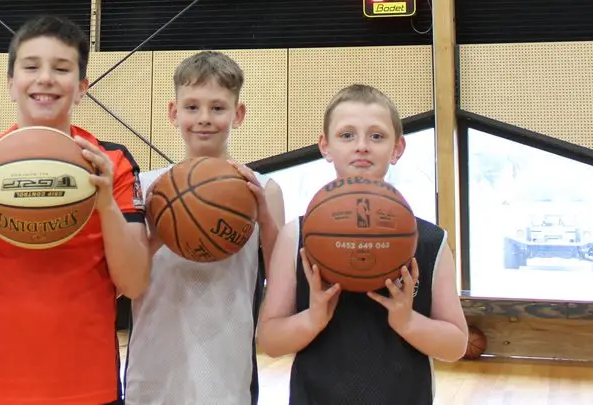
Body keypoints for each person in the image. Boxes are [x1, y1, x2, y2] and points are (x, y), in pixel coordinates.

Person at [0, 14, 150, 405]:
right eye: (31, 67)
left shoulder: (112, 162)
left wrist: (105, 204)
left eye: (61, 69)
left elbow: (133, 283)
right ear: (11, 84)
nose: (45, 78)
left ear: (82, 88)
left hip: (88, 390)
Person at [257, 84, 468, 404]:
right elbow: (270, 340)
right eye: (347, 135)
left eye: (377, 136)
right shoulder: (296, 235)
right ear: (325, 146)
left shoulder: (430, 241)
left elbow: (456, 345)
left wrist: (408, 322)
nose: (362, 146)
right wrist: (312, 318)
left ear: (397, 148)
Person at [123, 51, 285, 405]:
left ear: (238, 114)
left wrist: (265, 220)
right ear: (173, 112)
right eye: (192, 107)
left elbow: (282, 282)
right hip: (152, 374)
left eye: (218, 107)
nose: (204, 119)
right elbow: (120, 284)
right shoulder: (146, 189)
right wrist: (157, 235)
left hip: (227, 371)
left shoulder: (263, 188)